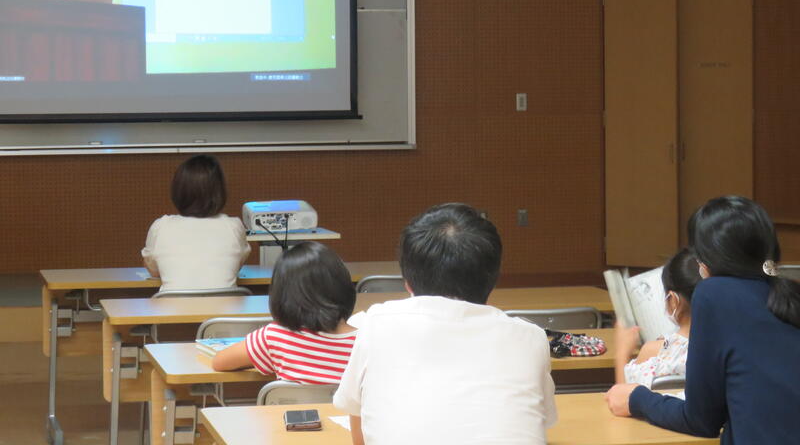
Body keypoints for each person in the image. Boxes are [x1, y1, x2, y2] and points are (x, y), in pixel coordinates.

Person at [333, 203, 557, 445]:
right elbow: (537, 421)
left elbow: (360, 434)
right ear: (493, 278)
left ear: (407, 280)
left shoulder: (376, 325)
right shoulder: (530, 338)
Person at [606, 196, 800, 444]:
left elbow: (701, 420)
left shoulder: (714, 293)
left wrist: (637, 399)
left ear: (706, 260)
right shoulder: (789, 293)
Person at [212, 241, 358, 383]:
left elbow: (219, 362)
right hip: (348, 409)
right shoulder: (365, 340)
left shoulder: (275, 336)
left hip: (294, 408)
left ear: (282, 293)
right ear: (343, 286)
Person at [141, 154, 250, 291]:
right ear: (219, 191)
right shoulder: (234, 226)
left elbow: (154, 272)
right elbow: (237, 266)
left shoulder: (161, 226)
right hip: (225, 311)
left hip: (173, 310)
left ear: (178, 190)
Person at [614, 248, 700, 387]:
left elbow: (624, 402)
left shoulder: (654, 352)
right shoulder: (730, 347)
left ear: (673, 300)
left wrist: (621, 353)